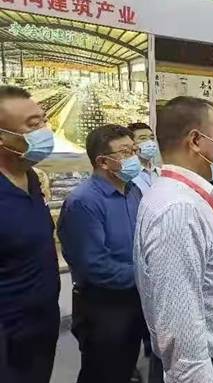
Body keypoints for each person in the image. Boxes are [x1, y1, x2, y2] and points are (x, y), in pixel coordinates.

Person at [134, 96, 213, 383]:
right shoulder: (178, 209)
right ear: (196, 141)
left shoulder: (180, 196)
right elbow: (180, 324)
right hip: (209, 365)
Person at [58, 124, 144, 383]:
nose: (134, 157)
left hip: (134, 297)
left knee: (125, 365)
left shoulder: (133, 191)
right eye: (125, 152)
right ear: (103, 162)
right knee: (102, 371)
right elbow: (94, 265)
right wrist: (145, 275)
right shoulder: (83, 202)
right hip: (103, 305)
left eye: (134, 150)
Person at [0, 85, 59, 383]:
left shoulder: (32, 178)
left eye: (44, 120)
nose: (45, 131)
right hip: (8, 340)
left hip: (42, 329)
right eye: (33, 125)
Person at [128, 122, 161, 195]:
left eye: (152, 138)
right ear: (131, 144)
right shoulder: (127, 175)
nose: (149, 142)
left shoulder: (161, 173)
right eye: (143, 138)